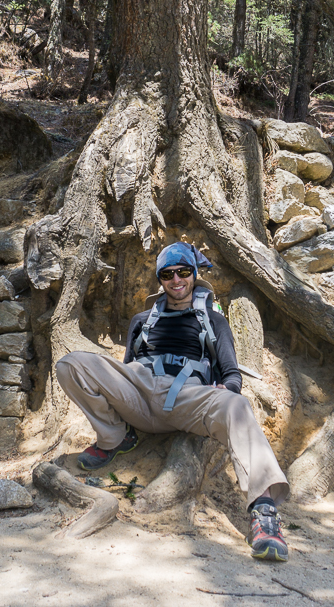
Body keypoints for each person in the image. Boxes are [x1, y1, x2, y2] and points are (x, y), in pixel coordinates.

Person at [55, 241, 291, 562]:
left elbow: (231, 371)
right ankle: (116, 437)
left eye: (183, 272)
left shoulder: (213, 319)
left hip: (185, 396)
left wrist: (227, 391)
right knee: (71, 364)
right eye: (168, 274)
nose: (176, 280)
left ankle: (263, 512)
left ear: (194, 274)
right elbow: (124, 369)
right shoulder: (141, 320)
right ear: (160, 279)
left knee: (238, 406)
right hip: (137, 390)